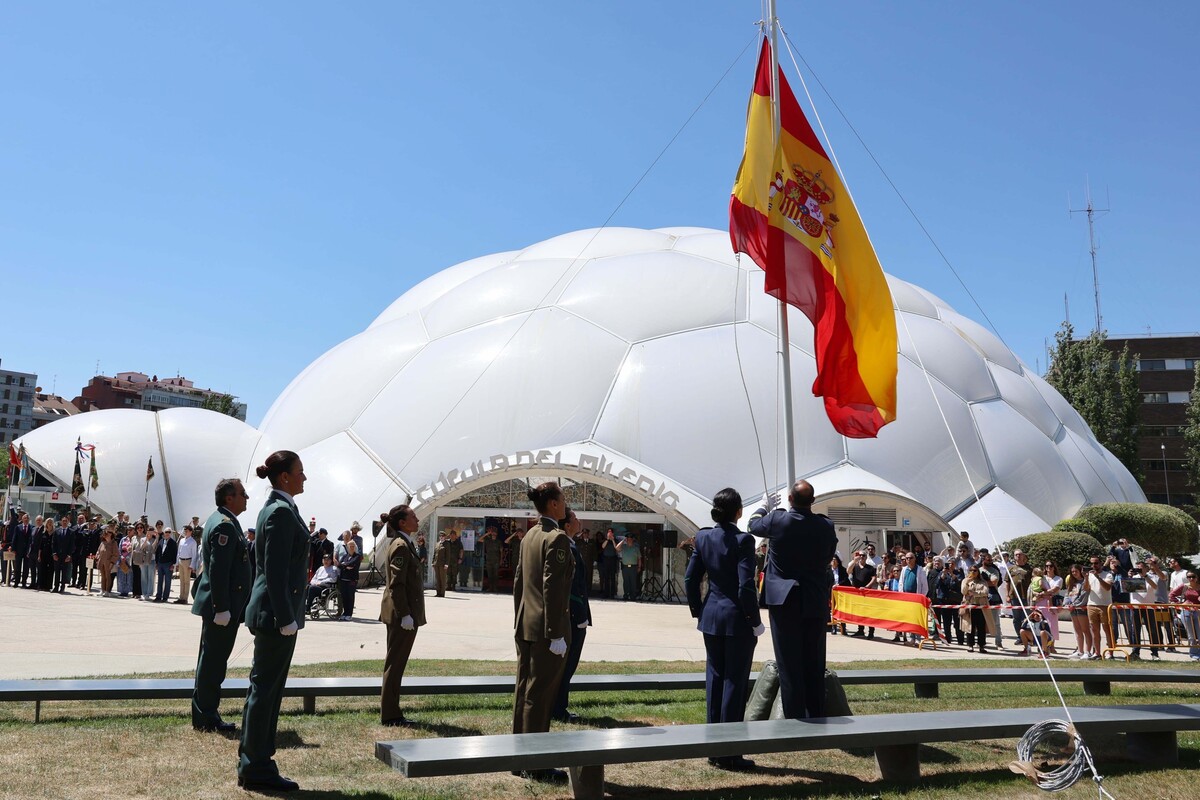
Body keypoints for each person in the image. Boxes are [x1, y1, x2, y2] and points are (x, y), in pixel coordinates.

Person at [239, 450, 309, 793]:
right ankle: (256, 766)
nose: (304, 478)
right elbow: (277, 570)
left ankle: (256, 761)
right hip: (275, 615)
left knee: (266, 690)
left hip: (275, 612)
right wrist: (285, 617)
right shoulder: (280, 513)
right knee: (265, 691)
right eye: (300, 472)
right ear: (284, 477)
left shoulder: (282, 509)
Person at [685, 488, 763, 770]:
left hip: (711, 616)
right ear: (739, 511)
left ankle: (713, 747)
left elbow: (691, 579)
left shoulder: (704, 536)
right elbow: (745, 586)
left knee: (715, 679)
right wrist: (754, 620)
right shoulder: (744, 540)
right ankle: (729, 751)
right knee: (734, 682)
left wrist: (698, 610)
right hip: (737, 619)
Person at [747, 480, 837, 719]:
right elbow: (829, 555)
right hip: (813, 598)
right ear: (813, 501)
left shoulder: (778, 520)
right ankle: (815, 710)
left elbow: (752, 525)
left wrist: (764, 507)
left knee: (788, 660)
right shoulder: (825, 525)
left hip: (784, 599)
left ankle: (795, 713)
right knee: (814, 659)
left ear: (789, 499)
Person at [511, 481, 573, 784]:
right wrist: (555, 632)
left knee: (523, 691)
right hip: (546, 629)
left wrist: (520, 618)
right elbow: (553, 588)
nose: (565, 504)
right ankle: (535, 763)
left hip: (526, 623)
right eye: (562, 500)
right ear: (552, 504)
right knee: (540, 695)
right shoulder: (556, 538)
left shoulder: (529, 536)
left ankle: (517, 757)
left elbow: (519, 583)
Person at [191, 477, 252, 733]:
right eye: (242, 493)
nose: (246, 497)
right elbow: (218, 570)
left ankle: (206, 712)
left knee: (211, 660)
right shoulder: (225, 526)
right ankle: (206, 716)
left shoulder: (222, 520)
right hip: (222, 608)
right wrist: (222, 608)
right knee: (213, 663)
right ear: (230, 498)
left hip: (222, 606)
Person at [380, 503, 426, 726]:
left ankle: (392, 710)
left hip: (404, 613)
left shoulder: (405, 543)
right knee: (395, 664)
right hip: (401, 615)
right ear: (402, 523)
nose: (417, 520)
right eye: (413, 517)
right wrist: (405, 614)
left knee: (397, 663)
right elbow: (397, 585)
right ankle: (390, 714)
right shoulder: (400, 545)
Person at [552, 507, 591, 725]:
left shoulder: (570, 544)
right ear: (567, 525)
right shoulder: (567, 546)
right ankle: (558, 708)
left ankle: (558, 706)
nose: (579, 521)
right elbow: (573, 586)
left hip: (574, 613)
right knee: (567, 664)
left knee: (567, 664)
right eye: (575, 518)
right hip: (573, 615)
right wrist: (580, 615)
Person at [1084, 555, 1114, 659]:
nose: (1093, 565)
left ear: (1101, 563)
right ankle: (1097, 652)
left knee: (1107, 630)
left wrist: (1098, 577)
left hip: (1105, 605)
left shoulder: (1108, 575)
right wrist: (1087, 578)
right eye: (1092, 563)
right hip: (1091, 605)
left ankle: (1110, 653)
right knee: (1095, 630)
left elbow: (1107, 587)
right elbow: (1086, 589)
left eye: (1096, 563)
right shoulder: (1090, 575)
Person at [1167, 571, 1200, 661]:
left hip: (1198, 612)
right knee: (1191, 634)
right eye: (1189, 577)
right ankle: (1194, 654)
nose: (1191, 579)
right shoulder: (1184, 586)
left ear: (1197, 577)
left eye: (1193, 576)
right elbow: (1171, 595)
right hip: (1186, 611)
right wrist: (1179, 604)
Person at [1063, 563, 1092, 659]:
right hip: (1072, 609)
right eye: (1072, 572)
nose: (1074, 573)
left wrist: (1075, 605)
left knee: (1085, 630)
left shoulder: (1085, 582)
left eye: (1076, 571)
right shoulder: (1071, 583)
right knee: (1077, 630)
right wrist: (1066, 604)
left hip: (1081, 608)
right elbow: (1067, 594)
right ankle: (1080, 651)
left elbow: (1084, 595)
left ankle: (1087, 652)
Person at [960, 565, 991, 654]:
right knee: (970, 627)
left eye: (975, 570)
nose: (973, 572)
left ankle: (981, 646)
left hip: (980, 607)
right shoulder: (965, 580)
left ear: (978, 572)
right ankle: (970, 645)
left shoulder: (983, 582)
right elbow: (963, 592)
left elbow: (985, 592)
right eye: (971, 570)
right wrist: (967, 582)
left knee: (981, 627)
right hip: (969, 606)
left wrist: (974, 593)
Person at [848, 550, 877, 639]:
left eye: (863, 555)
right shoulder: (855, 566)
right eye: (860, 555)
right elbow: (848, 571)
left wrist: (867, 587)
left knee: (869, 613)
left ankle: (871, 632)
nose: (861, 557)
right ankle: (860, 630)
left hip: (866, 593)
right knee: (859, 612)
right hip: (857, 593)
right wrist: (854, 561)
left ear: (866, 556)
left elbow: (874, 578)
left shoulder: (870, 568)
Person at [934, 558, 964, 645]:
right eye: (948, 564)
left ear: (955, 565)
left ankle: (960, 639)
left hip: (955, 601)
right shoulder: (942, 573)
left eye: (952, 564)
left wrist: (952, 574)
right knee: (946, 622)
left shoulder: (959, 573)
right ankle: (947, 638)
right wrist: (943, 575)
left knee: (957, 622)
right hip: (945, 601)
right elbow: (937, 584)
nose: (950, 566)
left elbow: (959, 584)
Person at [337, 540, 362, 620]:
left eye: (353, 546)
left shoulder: (357, 556)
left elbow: (352, 564)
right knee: (344, 597)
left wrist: (345, 565)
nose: (351, 548)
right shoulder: (345, 556)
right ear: (347, 547)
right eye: (350, 546)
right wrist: (345, 566)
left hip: (351, 580)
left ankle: (349, 614)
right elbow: (339, 565)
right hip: (343, 579)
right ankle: (345, 612)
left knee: (350, 597)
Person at [175, 525, 199, 604]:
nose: (185, 532)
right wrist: (177, 562)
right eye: (185, 530)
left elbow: (194, 554)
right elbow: (179, 552)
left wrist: (192, 565)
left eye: (187, 530)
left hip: (187, 561)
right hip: (181, 560)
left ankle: (185, 598)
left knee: (186, 581)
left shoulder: (192, 542)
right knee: (181, 580)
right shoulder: (182, 540)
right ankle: (181, 597)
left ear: (191, 532)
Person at [51, 516, 74, 593]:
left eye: (66, 521)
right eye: (63, 521)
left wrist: (69, 555)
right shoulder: (56, 531)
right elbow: (53, 543)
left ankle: (62, 587)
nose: (64, 522)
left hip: (65, 556)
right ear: (61, 522)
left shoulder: (71, 532)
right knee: (57, 572)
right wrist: (54, 553)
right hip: (57, 555)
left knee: (64, 572)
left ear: (68, 522)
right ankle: (56, 587)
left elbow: (72, 545)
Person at [617, 532, 641, 601]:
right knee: (626, 582)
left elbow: (639, 558)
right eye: (628, 539)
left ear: (632, 540)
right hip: (625, 567)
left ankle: (633, 596)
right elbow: (617, 548)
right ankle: (626, 595)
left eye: (630, 539)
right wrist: (623, 541)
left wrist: (639, 567)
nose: (629, 540)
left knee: (633, 582)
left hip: (633, 567)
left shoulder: (636, 548)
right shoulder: (624, 547)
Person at [829, 555, 850, 635]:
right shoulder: (827, 570)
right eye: (832, 560)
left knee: (842, 610)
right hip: (831, 593)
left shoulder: (842, 570)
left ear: (838, 562)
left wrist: (838, 585)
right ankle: (834, 627)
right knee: (833, 610)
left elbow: (845, 580)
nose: (833, 562)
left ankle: (843, 627)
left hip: (841, 594)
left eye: (835, 560)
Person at [597, 529, 619, 599]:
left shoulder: (615, 540)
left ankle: (612, 594)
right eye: (608, 532)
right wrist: (607, 539)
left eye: (610, 532)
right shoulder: (605, 540)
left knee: (612, 577)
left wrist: (612, 540)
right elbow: (603, 546)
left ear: (613, 533)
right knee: (606, 577)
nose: (609, 534)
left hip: (613, 559)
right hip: (606, 559)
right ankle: (606, 593)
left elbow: (616, 547)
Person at [95, 526, 117, 596]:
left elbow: (116, 554)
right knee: (103, 576)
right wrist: (97, 557)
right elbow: (98, 551)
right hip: (101, 561)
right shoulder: (102, 543)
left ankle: (107, 591)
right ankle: (102, 590)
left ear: (110, 534)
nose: (105, 535)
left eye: (106, 533)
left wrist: (112, 562)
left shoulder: (114, 543)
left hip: (109, 562)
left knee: (108, 577)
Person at [481, 526, 501, 592]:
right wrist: (487, 534)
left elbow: (501, 551)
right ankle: (490, 587)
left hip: (496, 560)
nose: (493, 534)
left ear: (496, 534)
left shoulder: (498, 541)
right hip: (489, 560)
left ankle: (495, 588)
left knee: (495, 575)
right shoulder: (487, 540)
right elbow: (479, 539)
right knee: (489, 575)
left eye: (495, 533)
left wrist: (501, 560)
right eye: (492, 533)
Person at [432, 532, 451, 597]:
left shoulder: (446, 544)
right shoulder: (437, 544)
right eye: (440, 536)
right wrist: (433, 562)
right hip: (436, 563)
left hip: (443, 564)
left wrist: (446, 564)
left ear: (445, 537)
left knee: (442, 579)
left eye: (442, 536)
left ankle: (442, 593)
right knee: (437, 578)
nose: (441, 537)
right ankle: (438, 592)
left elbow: (448, 555)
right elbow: (435, 554)